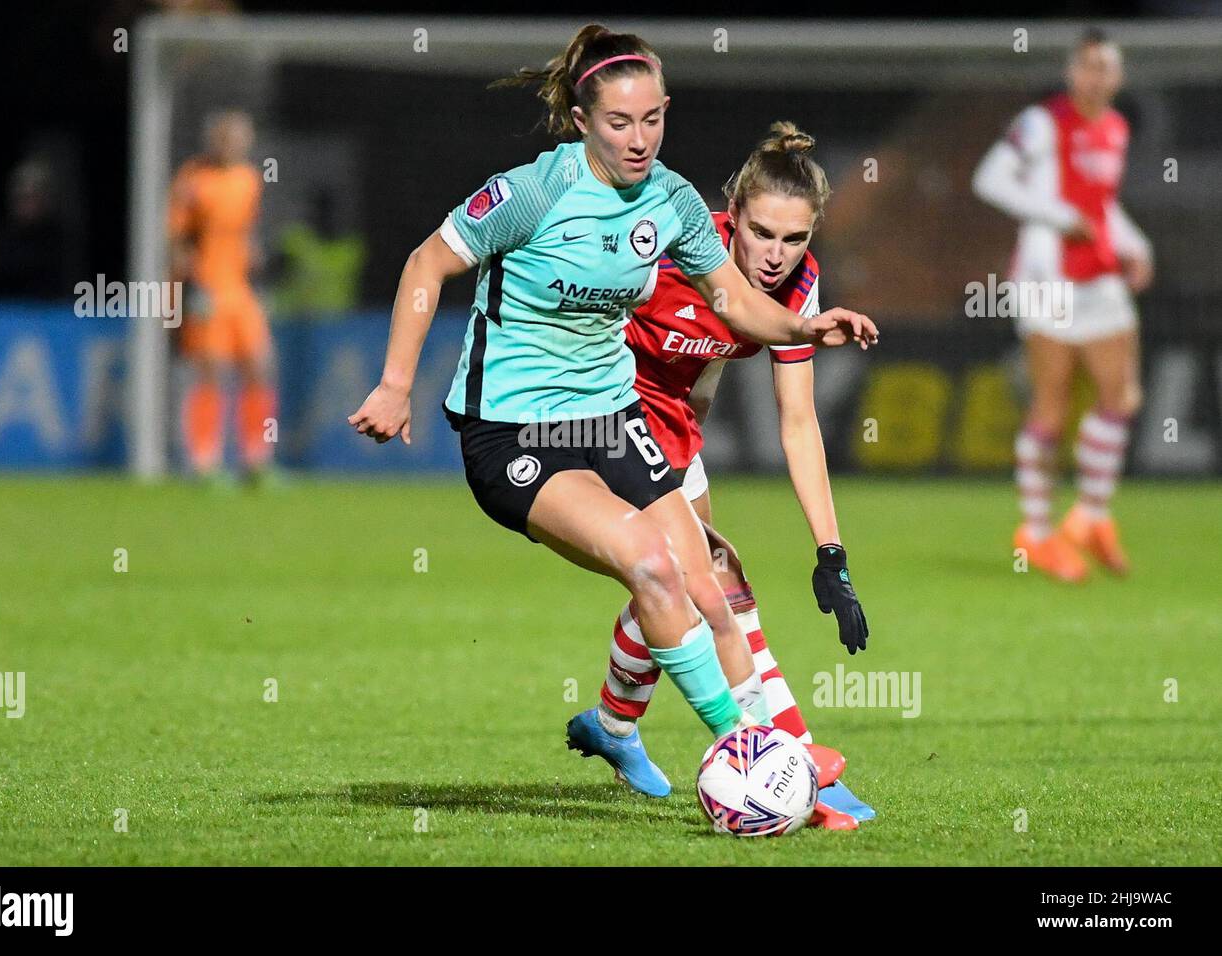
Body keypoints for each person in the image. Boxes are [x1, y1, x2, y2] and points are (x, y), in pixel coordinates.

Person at [350, 25, 877, 775]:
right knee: (653, 567)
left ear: (668, 109)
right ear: (582, 121)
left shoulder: (673, 206)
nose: (639, 139)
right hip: (515, 432)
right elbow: (425, 262)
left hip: (612, 420)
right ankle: (747, 757)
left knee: (713, 592)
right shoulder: (533, 193)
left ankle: (765, 757)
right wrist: (397, 384)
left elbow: (732, 300)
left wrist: (802, 326)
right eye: (619, 122)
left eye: (653, 119)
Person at [567, 122, 873, 827]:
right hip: (599, 415)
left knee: (673, 578)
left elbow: (798, 421)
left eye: (793, 239)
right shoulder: (663, 243)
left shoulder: (798, 285)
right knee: (718, 577)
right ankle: (791, 758)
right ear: (730, 214)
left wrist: (832, 552)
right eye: (761, 232)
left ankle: (612, 727)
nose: (775, 255)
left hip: (674, 425)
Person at [972, 29, 1152, 582]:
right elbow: (990, 179)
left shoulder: (1116, 128)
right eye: (1087, 66)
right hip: (1046, 278)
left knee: (1122, 395)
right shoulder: (1040, 122)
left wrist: (1136, 245)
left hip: (1098, 275)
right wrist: (1055, 216)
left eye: (1106, 68)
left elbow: (1101, 207)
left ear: (1117, 78)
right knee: (1051, 407)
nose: (1096, 77)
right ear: (1073, 73)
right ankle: (1037, 531)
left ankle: (1092, 515)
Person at [169, 109, 277, 484]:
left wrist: (257, 270)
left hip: (240, 289)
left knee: (260, 366)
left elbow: (247, 235)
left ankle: (256, 462)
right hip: (208, 287)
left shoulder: (248, 180)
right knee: (211, 372)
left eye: (240, 137)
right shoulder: (193, 179)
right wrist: (190, 287)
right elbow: (179, 240)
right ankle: (204, 462)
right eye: (226, 137)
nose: (233, 144)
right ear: (213, 140)